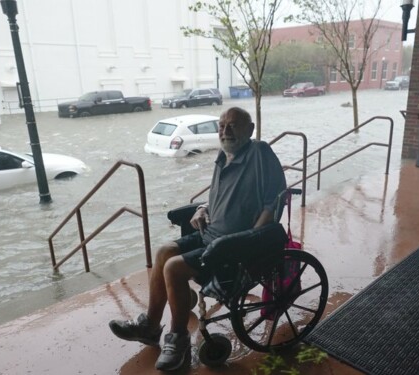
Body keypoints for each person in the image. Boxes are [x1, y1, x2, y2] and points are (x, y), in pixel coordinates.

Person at [109, 107, 287, 371]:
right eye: (222, 126)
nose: (226, 131)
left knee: (174, 267)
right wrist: (203, 209)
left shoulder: (259, 153)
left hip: (234, 246)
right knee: (163, 252)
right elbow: (218, 196)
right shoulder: (223, 156)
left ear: (249, 130)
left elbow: (273, 202)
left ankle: (178, 339)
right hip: (210, 234)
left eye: (233, 126)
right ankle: (149, 326)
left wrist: (252, 238)